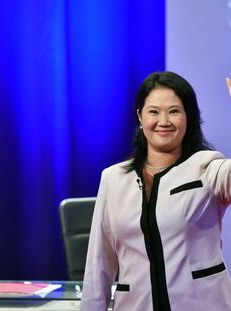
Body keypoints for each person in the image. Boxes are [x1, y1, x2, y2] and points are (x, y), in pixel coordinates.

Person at [80, 71, 231, 310]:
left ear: (188, 117)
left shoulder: (208, 167)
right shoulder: (113, 178)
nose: (163, 121)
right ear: (140, 116)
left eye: (174, 111)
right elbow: (99, 261)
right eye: (153, 111)